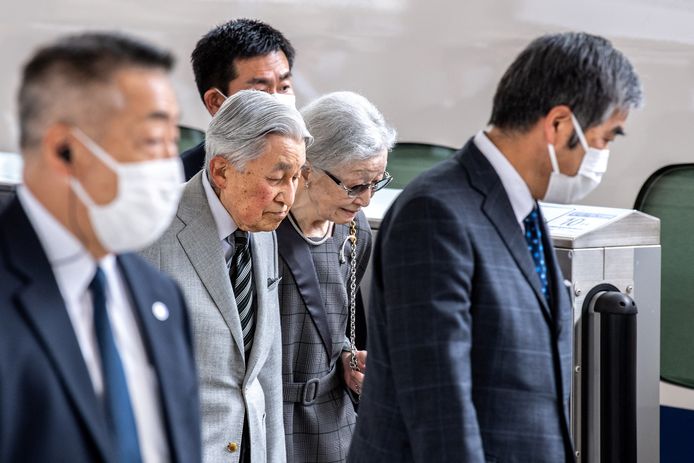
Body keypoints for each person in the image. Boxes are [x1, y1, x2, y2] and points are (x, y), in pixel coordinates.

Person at [349, 31, 643, 463]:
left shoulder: (522, 211)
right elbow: (440, 409)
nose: (602, 155)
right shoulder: (435, 213)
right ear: (560, 124)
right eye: (605, 138)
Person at [0, 32, 201, 462]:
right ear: (64, 149)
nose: (169, 166)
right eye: (151, 142)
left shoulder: (160, 296)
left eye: (173, 142)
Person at [141, 89, 311, 463]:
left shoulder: (261, 229)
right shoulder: (151, 237)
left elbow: (266, 373)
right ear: (220, 171)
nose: (288, 196)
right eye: (277, 177)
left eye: (296, 177)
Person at [276, 91, 395, 462]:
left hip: (334, 419)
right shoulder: (261, 226)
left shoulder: (354, 228)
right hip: (274, 420)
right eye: (356, 185)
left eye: (377, 182)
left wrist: (346, 356)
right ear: (307, 170)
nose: (366, 200)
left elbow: (339, 318)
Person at [181, 18, 296, 180]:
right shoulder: (178, 182)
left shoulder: (317, 173)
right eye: (261, 91)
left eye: (284, 87)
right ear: (216, 102)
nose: (277, 102)